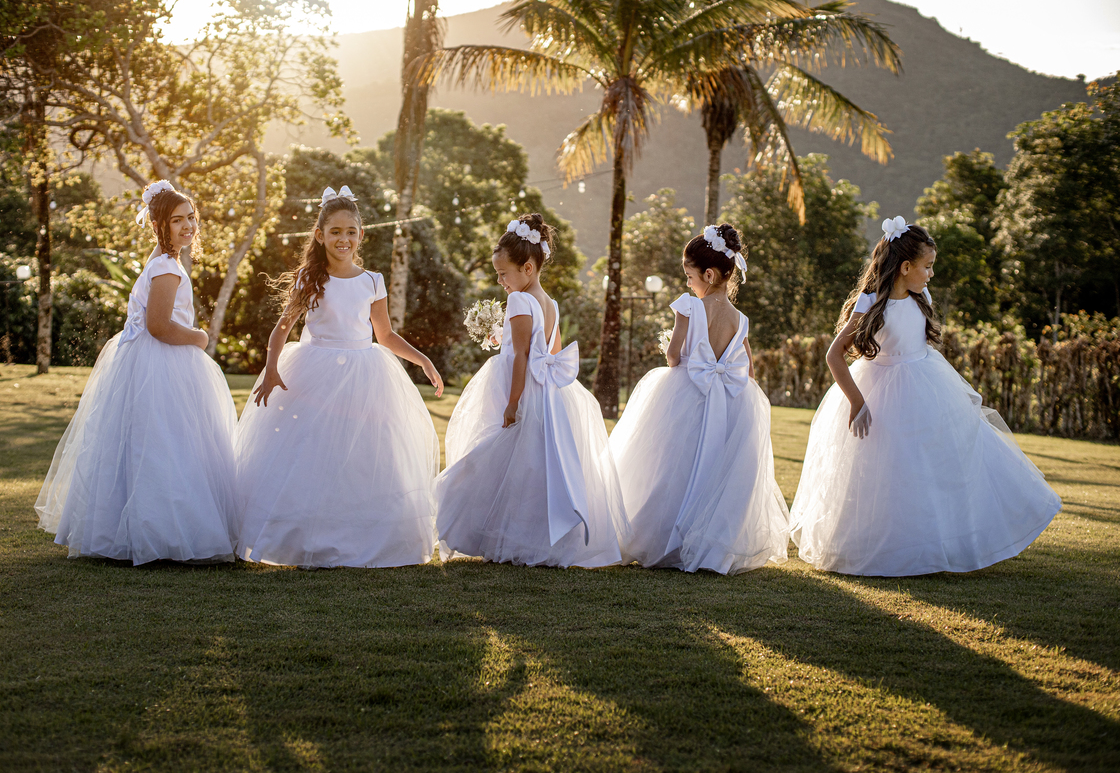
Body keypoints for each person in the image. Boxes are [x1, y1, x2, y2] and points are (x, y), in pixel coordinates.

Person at [790, 216, 1062, 576]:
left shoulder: (921, 298)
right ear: (905, 267)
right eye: (927, 266)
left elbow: (924, 347)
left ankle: (938, 543)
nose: (931, 274)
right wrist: (857, 401)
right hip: (879, 389)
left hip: (926, 385)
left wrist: (954, 391)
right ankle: (885, 547)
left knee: (934, 465)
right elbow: (833, 354)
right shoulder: (869, 302)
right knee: (884, 471)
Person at [235, 186, 443, 568]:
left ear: (361, 235)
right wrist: (271, 369)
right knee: (312, 455)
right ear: (319, 235)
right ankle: (304, 539)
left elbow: (385, 334)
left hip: (366, 375)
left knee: (366, 457)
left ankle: (365, 539)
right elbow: (283, 328)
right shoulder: (308, 279)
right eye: (335, 231)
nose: (343, 239)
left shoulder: (373, 281)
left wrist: (423, 361)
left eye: (350, 231)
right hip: (314, 371)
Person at [34, 180, 238, 564]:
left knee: (153, 446)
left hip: (146, 360)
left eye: (191, 217)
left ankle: (137, 531)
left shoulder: (164, 261)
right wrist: (197, 337)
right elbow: (159, 325)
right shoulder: (166, 267)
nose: (188, 226)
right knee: (166, 445)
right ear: (159, 226)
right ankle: (163, 533)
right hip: (160, 362)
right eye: (177, 220)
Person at [434, 214, 628, 567]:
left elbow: (522, 355)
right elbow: (546, 351)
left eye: (503, 273)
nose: (500, 280)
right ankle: (537, 535)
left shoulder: (520, 301)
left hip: (522, 390)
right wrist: (502, 337)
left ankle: (493, 529)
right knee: (536, 465)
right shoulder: (549, 302)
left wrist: (513, 402)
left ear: (527, 267)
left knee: (503, 459)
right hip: (547, 393)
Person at [610, 224, 788, 573]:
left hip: (688, 396)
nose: (688, 283)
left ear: (708, 274)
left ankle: (664, 538)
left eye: (689, 276)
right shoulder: (740, 319)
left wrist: (673, 348)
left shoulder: (689, 308)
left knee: (673, 466)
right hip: (730, 401)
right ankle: (709, 540)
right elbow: (748, 369)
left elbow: (675, 356)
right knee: (715, 470)